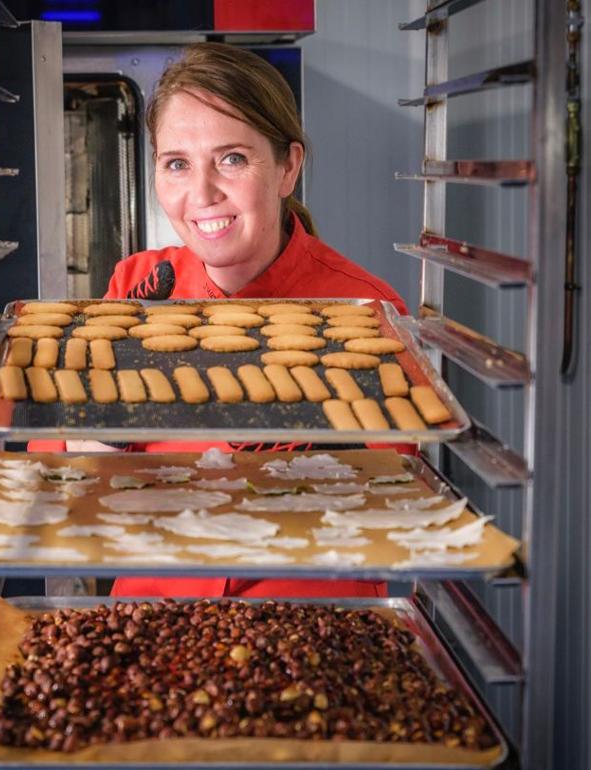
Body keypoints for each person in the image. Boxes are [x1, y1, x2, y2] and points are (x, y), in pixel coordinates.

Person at [38, 43, 409, 599]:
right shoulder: (136, 291)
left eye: (232, 158)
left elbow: (384, 507)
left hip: (315, 629)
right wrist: (104, 427)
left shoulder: (365, 314)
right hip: (154, 621)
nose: (202, 194)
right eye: (177, 164)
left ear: (288, 167)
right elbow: (66, 482)